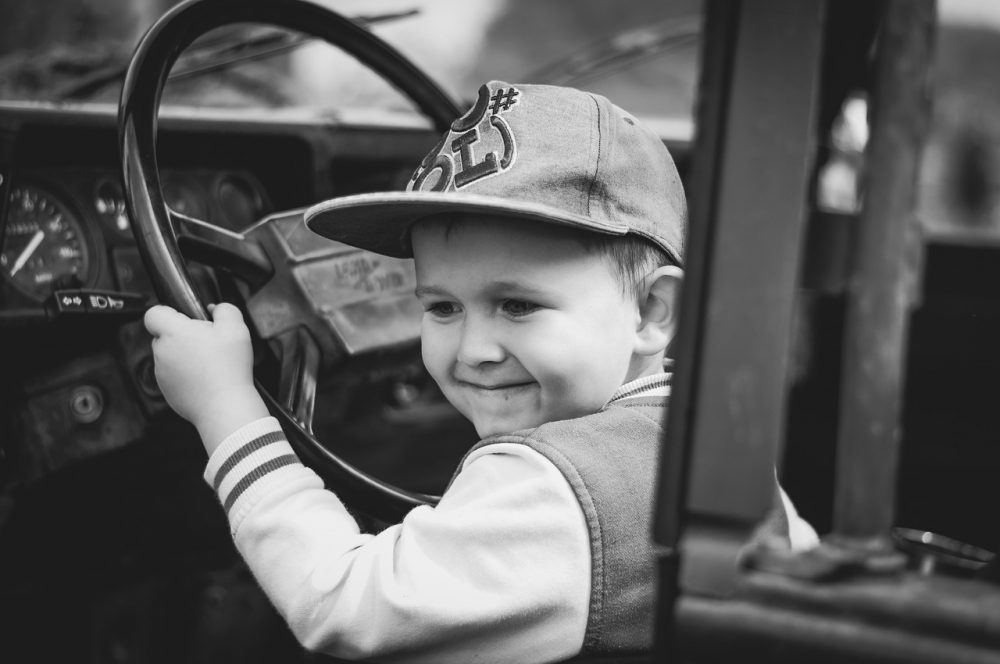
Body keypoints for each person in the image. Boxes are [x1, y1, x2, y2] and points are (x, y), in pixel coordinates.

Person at [144, 80, 816, 663]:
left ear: (651, 310)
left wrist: (227, 408)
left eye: (517, 305)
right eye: (441, 306)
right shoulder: (721, 455)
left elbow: (343, 605)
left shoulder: (545, 487)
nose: (473, 350)